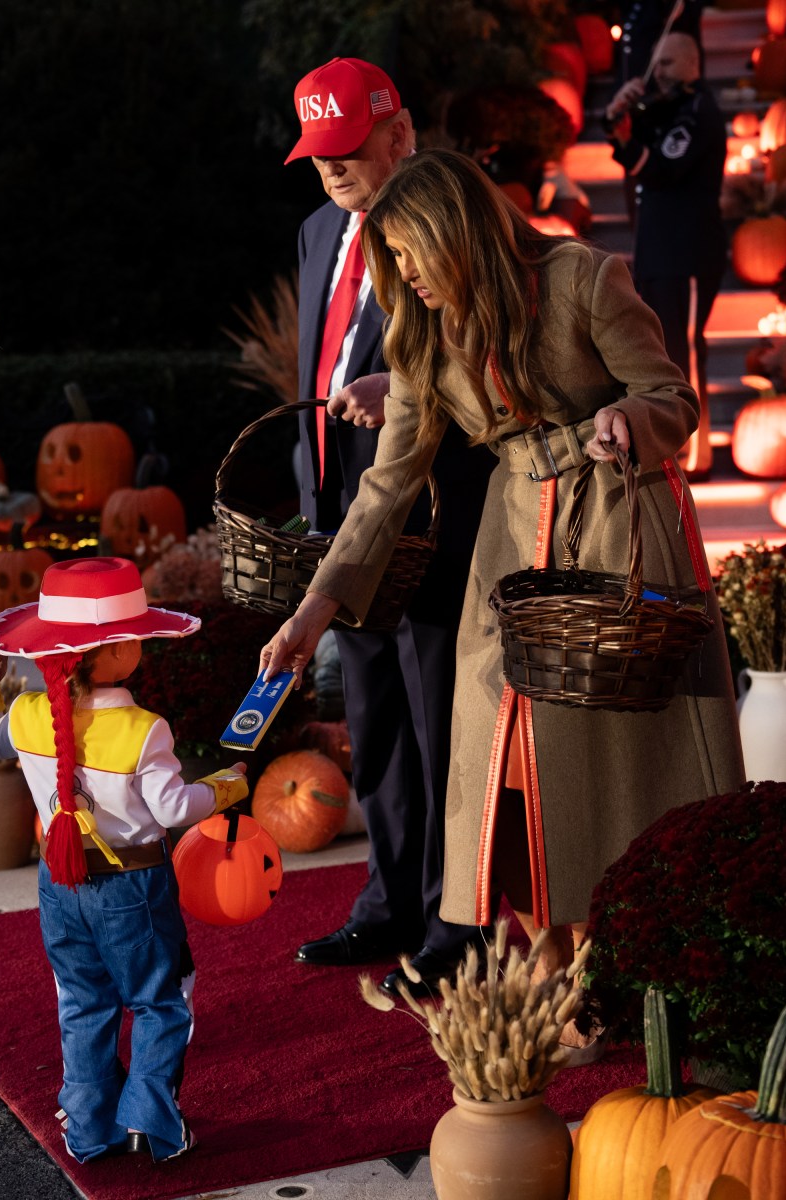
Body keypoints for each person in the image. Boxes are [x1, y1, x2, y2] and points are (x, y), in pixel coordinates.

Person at [261, 150, 745, 1047]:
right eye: (391, 261)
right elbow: (386, 487)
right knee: (500, 757)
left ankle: (645, 965)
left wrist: (629, 421)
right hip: (510, 541)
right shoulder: (420, 335)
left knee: (611, 755)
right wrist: (311, 615)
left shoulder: (584, 281)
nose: (402, 275)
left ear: (457, 233)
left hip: (618, 526)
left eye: (412, 254)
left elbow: (673, 399)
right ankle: (555, 969)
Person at [282, 58, 495, 994]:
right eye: (317, 152)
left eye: (347, 148)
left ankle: (460, 924)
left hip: (436, 511)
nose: (331, 170)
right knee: (374, 726)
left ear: (400, 133)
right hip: (345, 511)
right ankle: (390, 906)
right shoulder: (318, 229)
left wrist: (410, 388)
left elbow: (490, 353)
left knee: (444, 723)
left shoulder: (458, 229)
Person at [0, 557, 249, 1164]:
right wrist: (228, 785)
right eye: (132, 638)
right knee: (159, 1001)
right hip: (133, 888)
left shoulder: (27, 716)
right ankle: (151, 1124)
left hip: (58, 884)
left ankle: (87, 1130)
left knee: (83, 1001)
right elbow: (173, 806)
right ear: (112, 655)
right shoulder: (143, 729)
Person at [604, 31, 727, 479]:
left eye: (670, 64)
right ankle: (679, 446)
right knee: (666, 352)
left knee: (685, 351)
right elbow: (624, 140)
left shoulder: (698, 113)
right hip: (658, 252)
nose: (660, 73)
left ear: (695, 64)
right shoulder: (667, 109)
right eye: (657, 66)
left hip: (689, 252)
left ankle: (697, 456)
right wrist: (617, 110)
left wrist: (629, 134)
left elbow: (662, 166)